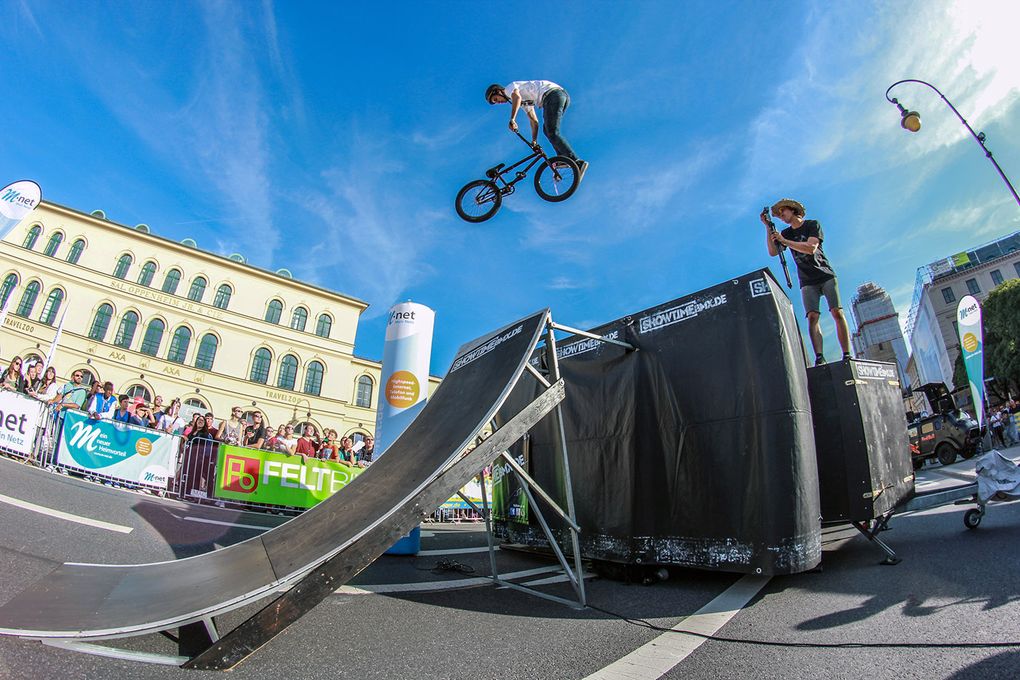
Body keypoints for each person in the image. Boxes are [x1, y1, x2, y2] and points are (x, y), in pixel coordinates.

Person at [762, 198, 851, 366]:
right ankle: (819, 357)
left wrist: (784, 241)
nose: (781, 216)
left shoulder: (812, 225)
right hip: (807, 280)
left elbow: (811, 248)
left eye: (783, 212)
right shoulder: (786, 233)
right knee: (812, 317)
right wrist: (768, 227)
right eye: (779, 215)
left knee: (836, 312)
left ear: (792, 210)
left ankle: (846, 353)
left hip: (825, 274)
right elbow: (773, 252)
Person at [486, 80, 588, 179]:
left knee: (552, 132)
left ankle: (577, 162)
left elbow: (516, 97)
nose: (497, 103)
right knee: (548, 130)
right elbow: (534, 121)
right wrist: (534, 140)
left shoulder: (509, 89)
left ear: (498, 91)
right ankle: (563, 159)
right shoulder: (524, 102)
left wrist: (512, 119)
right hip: (558, 97)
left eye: (495, 99)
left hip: (553, 95)